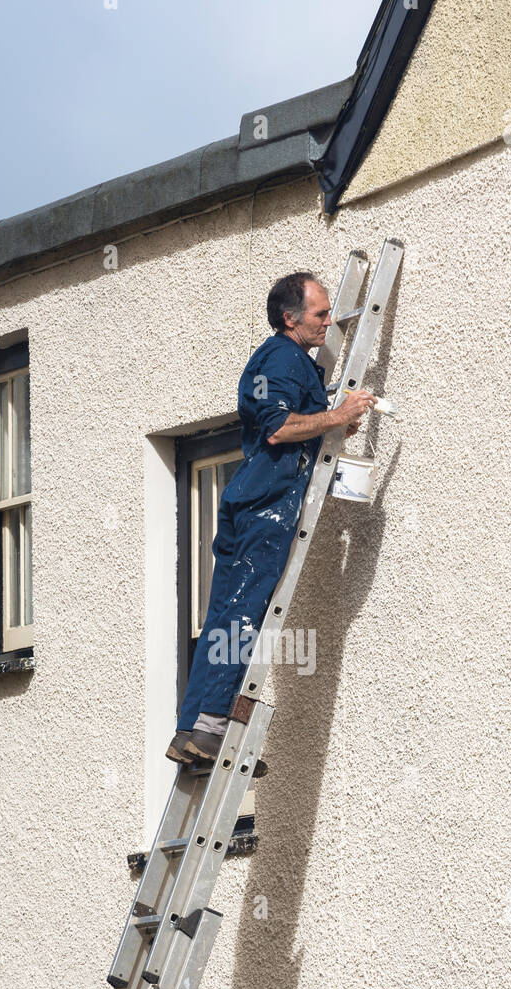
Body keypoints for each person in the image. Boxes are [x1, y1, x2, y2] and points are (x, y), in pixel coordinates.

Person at [166, 271, 376, 771]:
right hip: (265, 505)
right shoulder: (280, 358)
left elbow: (287, 427)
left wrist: (334, 425)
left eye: (330, 312)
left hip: (252, 499)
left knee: (225, 613)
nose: (328, 321)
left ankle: (194, 730)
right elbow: (280, 428)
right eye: (320, 314)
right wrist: (337, 412)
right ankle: (213, 726)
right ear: (290, 318)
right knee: (241, 613)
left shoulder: (285, 362)